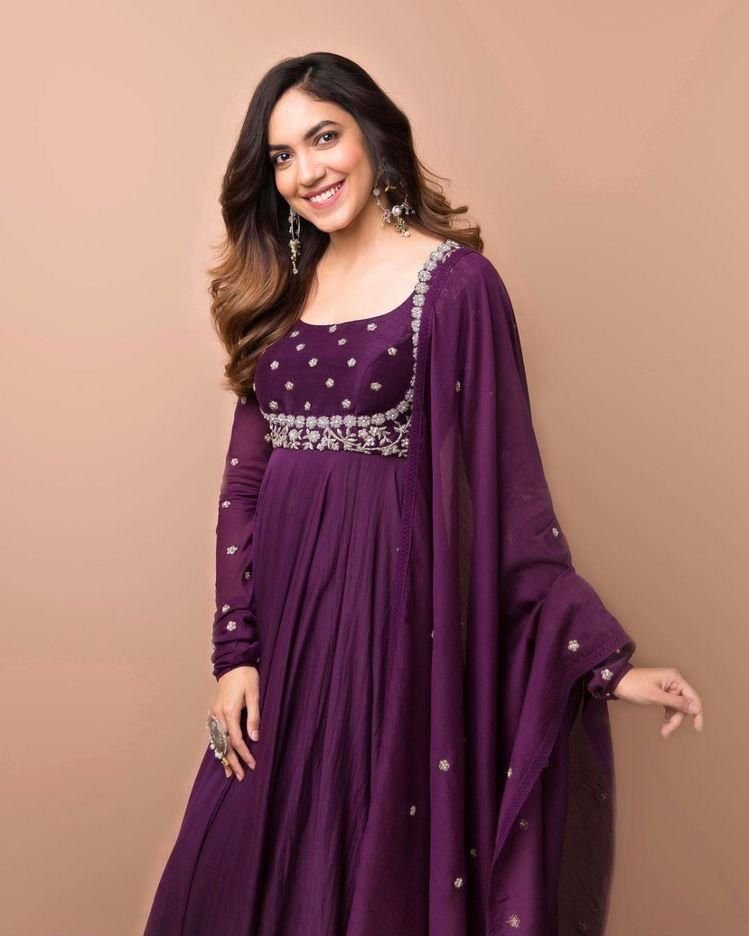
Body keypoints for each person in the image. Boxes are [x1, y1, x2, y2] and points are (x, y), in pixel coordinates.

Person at [143, 52, 704, 936]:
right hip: (282, 640)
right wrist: (235, 653)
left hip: (387, 640)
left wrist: (605, 667)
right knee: (233, 871)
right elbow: (243, 483)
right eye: (282, 155)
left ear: (373, 136)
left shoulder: (455, 288)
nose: (306, 171)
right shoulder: (279, 290)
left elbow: (509, 500)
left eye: (323, 138)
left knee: (362, 871)